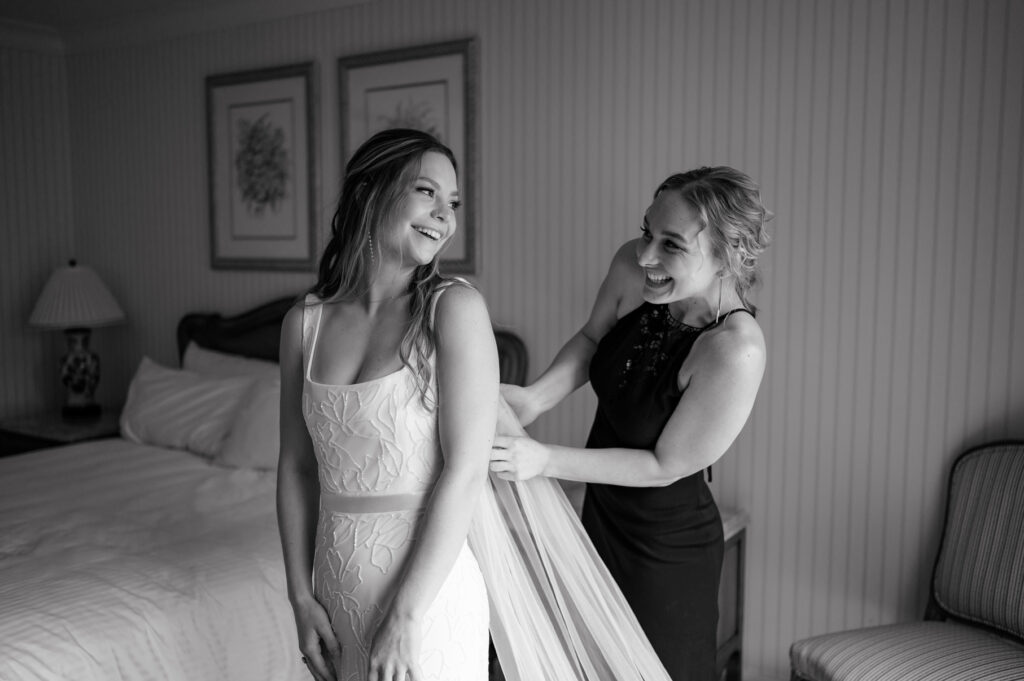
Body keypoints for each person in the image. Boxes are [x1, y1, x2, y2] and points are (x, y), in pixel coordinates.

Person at [492, 166, 773, 681]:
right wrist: (535, 399)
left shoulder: (735, 350)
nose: (646, 255)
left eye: (672, 245)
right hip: (601, 518)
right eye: (647, 231)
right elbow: (593, 339)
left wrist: (545, 459)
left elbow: (663, 465)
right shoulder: (634, 269)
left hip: (667, 550)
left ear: (725, 258)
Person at [276, 128, 499, 681]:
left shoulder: (455, 310)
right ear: (368, 193)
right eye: (426, 192)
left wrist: (407, 615)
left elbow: (466, 472)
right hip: (333, 593)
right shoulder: (304, 323)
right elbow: (297, 467)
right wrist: (299, 598)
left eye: (452, 202)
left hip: (427, 600)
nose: (443, 215)